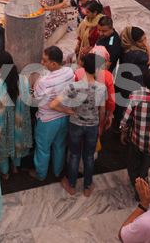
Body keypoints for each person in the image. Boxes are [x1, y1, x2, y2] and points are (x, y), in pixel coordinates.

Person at [50, 53, 107, 197]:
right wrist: (99, 125)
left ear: (82, 66)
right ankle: (88, 186)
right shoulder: (101, 88)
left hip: (75, 124)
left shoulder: (73, 87)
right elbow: (102, 111)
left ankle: (72, 186)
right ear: (98, 70)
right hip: (92, 125)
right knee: (88, 156)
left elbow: (53, 104)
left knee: (74, 155)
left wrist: (67, 110)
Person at [0, 50, 32, 179]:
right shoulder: (24, 80)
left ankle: (4, 172)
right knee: (16, 140)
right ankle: (15, 166)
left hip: (1, 122)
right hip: (19, 119)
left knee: (2, 144)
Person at [29, 46, 74, 181]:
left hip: (47, 120)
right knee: (59, 146)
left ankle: (41, 174)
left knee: (43, 148)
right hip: (64, 117)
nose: (42, 62)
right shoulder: (69, 72)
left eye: (44, 60)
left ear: (53, 64)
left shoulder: (44, 82)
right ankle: (57, 171)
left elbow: (36, 96)